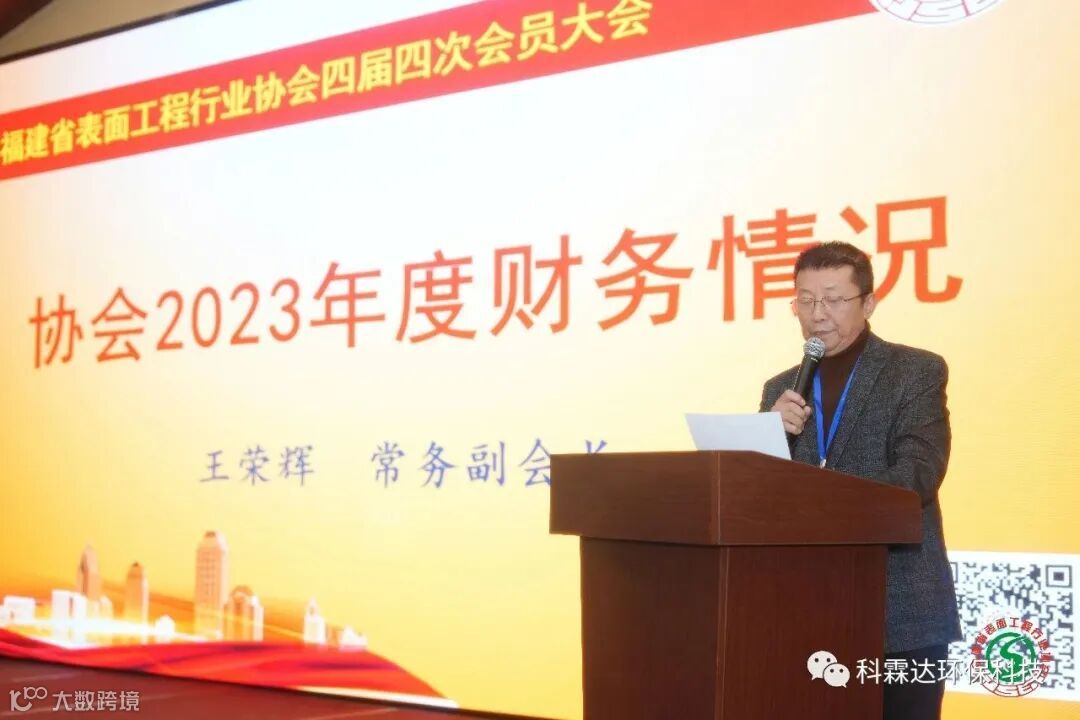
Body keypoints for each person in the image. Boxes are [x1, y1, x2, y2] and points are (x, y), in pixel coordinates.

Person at [759, 241, 962, 720]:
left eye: (833, 299)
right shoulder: (779, 389)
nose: (817, 313)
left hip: (900, 609)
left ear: (868, 303)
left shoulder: (915, 370)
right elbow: (762, 495)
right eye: (806, 300)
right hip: (807, 613)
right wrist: (770, 437)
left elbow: (918, 471)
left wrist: (828, 507)